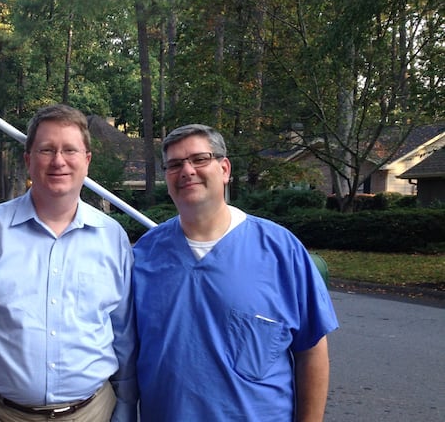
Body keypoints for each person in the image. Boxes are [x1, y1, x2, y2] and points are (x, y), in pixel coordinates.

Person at [0, 104, 137, 422]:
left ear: (87, 160)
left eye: (69, 150)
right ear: (28, 160)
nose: (59, 161)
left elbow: (124, 334)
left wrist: (127, 406)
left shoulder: (112, 238)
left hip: (92, 413)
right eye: (46, 150)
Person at [132, 124, 339, 421]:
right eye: (174, 164)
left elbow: (312, 350)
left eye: (200, 159)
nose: (187, 170)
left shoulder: (280, 250)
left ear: (225, 168)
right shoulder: (144, 255)